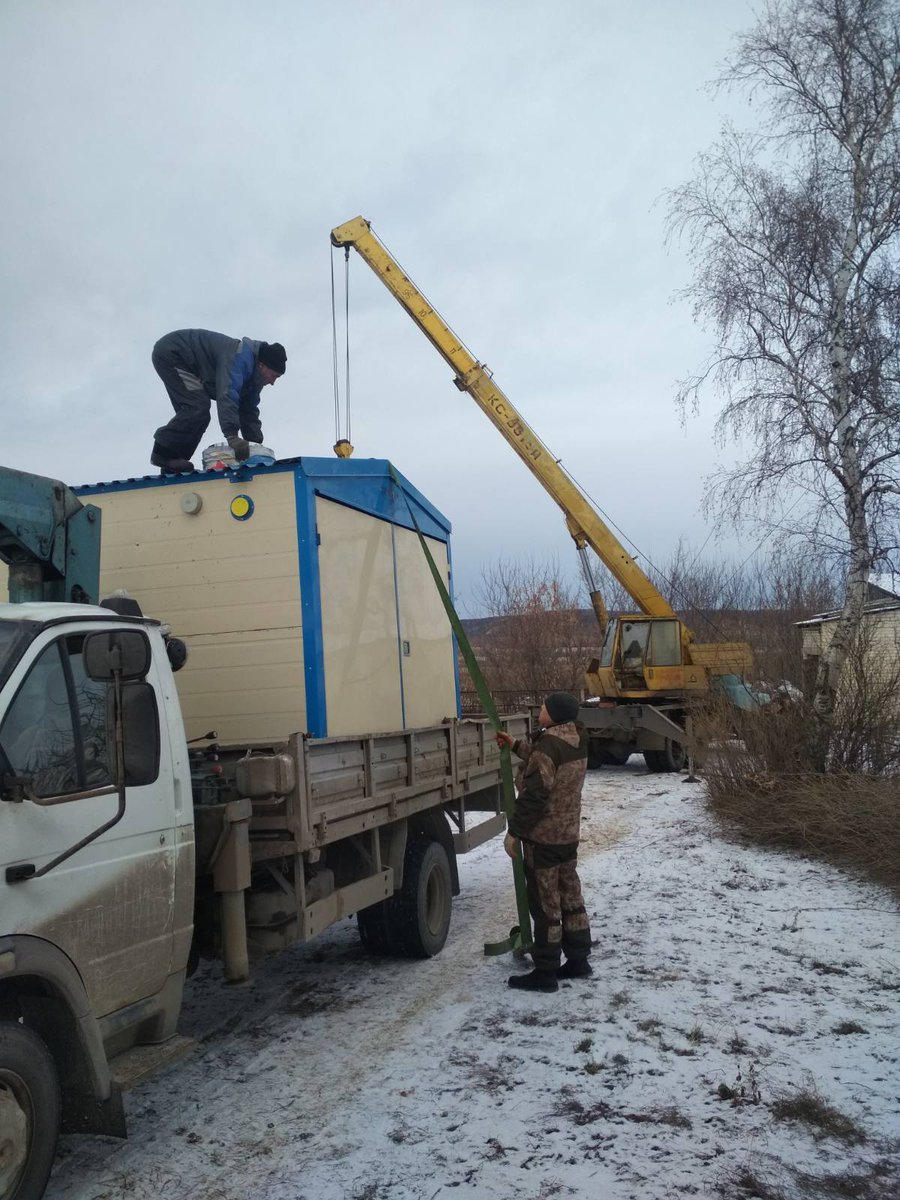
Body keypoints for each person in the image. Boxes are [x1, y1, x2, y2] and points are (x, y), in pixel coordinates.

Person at [496, 690, 592, 993]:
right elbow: (549, 759)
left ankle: (545, 971)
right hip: (567, 835)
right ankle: (578, 959)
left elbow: (535, 793)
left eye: (544, 707)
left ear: (553, 714)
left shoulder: (548, 747)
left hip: (544, 839)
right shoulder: (577, 737)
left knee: (546, 904)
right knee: (570, 897)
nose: (540, 709)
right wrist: (516, 746)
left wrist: (515, 833)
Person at [150, 329, 287, 473]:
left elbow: (249, 410)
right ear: (262, 365)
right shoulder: (238, 359)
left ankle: (174, 462)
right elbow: (227, 394)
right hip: (174, 354)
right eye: (274, 376)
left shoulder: (254, 380)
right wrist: (232, 436)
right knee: (197, 406)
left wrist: (255, 446)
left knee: (201, 413)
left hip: (190, 364)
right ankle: (163, 453)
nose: (273, 382)